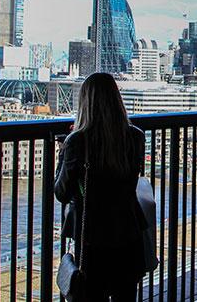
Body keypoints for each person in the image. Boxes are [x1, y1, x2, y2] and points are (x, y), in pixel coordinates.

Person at [55, 73, 147, 301]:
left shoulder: (78, 141)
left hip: (92, 239)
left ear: (84, 102)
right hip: (128, 232)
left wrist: (63, 152)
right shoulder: (135, 137)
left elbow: (61, 192)